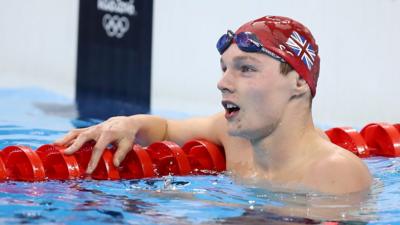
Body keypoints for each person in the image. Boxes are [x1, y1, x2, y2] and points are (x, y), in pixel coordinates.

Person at [56, 15, 372, 194]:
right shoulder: (232, 134)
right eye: (224, 68)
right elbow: (166, 128)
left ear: (299, 83)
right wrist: (128, 123)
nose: (223, 82)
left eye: (246, 68)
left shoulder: (335, 173)